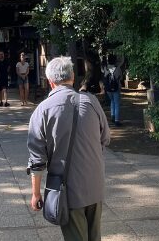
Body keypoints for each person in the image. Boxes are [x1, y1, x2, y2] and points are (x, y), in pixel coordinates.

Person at [28, 55, 110, 241]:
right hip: (95, 184)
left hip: (68, 190)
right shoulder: (91, 102)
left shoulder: (43, 110)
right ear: (72, 77)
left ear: (50, 82)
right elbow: (105, 138)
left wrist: (35, 194)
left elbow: (37, 159)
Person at [104, 55, 123, 127]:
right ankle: (117, 120)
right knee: (117, 103)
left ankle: (112, 116)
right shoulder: (117, 69)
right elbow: (120, 78)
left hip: (108, 88)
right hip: (116, 88)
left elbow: (105, 77)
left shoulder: (106, 68)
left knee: (112, 101)